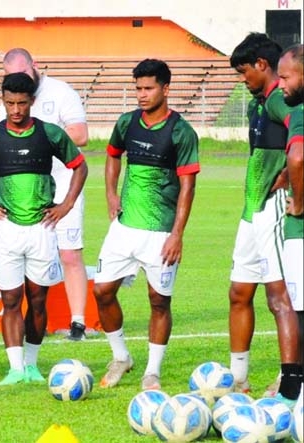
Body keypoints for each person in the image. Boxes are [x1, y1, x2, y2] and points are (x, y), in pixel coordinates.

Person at [0, 72, 88, 386]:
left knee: (38, 300)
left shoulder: (51, 134)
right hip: (5, 230)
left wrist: (66, 204)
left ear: (32, 102)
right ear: (3, 102)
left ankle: (31, 365)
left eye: (21, 103)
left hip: (42, 229)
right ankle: (15, 368)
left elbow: (80, 165)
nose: (15, 109)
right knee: (11, 298)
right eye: (9, 103)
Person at [94, 59, 199, 391]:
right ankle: (121, 356)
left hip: (160, 234)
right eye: (137, 88)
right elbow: (112, 156)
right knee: (102, 291)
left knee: (158, 301)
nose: (141, 94)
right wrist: (111, 193)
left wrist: (177, 235)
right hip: (124, 229)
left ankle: (152, 371)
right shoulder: (126, 123)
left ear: (165, 89)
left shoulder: (182, 132)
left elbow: (188, 186)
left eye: (148, 88)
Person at [225, 33, 301, 399]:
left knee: (279, 297)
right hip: (249, 209)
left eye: (244, 71)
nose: (242, 79)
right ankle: (237, 379)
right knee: (239, 292)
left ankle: (289, 382)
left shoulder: (280, 102)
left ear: (262, 66)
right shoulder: (259, 103)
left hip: (272, 208)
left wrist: (288, 174)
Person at [1, 48, 91, 341]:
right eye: (12, 77)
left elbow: (80, 134)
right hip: (24, 193)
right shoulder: (9, 99)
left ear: (35, 66)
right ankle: (31, 323)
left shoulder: (61, 92)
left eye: (24, 74)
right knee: (26, 255)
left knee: (69, 253)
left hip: (64, 184)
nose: (19, 82)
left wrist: (41, 138)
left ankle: (78, 322)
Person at [273, 43, 304, 406]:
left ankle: (293, 391)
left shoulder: (300, 113)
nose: (280, 85)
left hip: (301, 231)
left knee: (299, 308)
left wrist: (299, 201)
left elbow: (298, 155)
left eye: (285, 77)